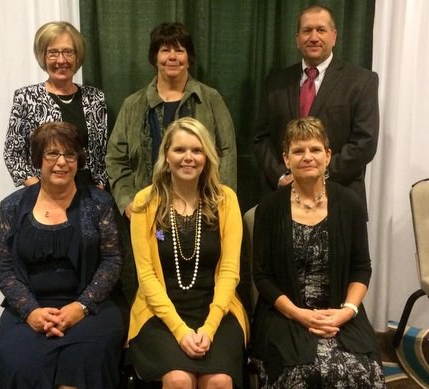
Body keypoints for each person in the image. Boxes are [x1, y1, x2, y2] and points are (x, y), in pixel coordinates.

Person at [106, 21, 237, 303]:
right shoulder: (133, 105)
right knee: (153, 276)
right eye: (165, 50)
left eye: (180, 50)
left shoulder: (210, 100)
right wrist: (129, 201)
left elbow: (226, 151)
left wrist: (219, 203)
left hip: (202, 212)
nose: (172, 57)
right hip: (153, 216)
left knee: (199, 278)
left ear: (189, 56)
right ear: (155, 57)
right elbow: (115, 158)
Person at [250, 117, 385, 388]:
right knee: (305, 372)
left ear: (328, 155)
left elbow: (361, 267)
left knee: (361, 370)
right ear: (286, 159)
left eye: (314, 149)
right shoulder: (269, 209)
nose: (307, 157)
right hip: (285, 315)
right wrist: (300, 314)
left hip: (340, 313)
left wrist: (346, 311)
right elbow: (262, 276)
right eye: (298, 151)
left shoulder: (350, 204)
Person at [0, 122, 127, 388]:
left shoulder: (99, 202)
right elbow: (4, 268)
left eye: (70, 154)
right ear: (38, 160)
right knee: (23, 366)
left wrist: (81, 307)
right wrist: (31, 311)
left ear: (79, 159)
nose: (61, 163)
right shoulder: (12, 206)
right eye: (52, 154)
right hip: (28, 310)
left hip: (91, 309)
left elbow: (112, 261)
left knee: (82, 367)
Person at [127, 117, 248, 388]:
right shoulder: (144, 202)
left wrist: (210, 327)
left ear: (207, 156)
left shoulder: (225, 199)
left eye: (197, 150)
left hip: (217, 311)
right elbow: (146, 276)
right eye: (179, 150)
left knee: (218, 381)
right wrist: (180, 331)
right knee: (179, 379)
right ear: (166, 156)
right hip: (159, 313)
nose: (188, 158)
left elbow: (230, 271)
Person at [253, 4, 379, 214]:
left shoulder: (361, 81)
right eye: (307, 30)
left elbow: (364, 143)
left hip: (340, 201)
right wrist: (283, 177)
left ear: (334, 36)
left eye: (321, 30)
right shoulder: (275, 83)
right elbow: (261, 139)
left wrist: (315, 176)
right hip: (283, 202)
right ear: (297, 38)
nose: (313, 37)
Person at [4, 21, 108, 189]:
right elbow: (13, 155)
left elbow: (102, 153)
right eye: (53, 53)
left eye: (68, 52)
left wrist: (100, 187)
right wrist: (39, 190)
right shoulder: (26, 98)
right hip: (45, 193)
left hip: (88, 194)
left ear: (78, 56)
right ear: (43, 57)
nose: (61, 60)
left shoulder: (95, 98)